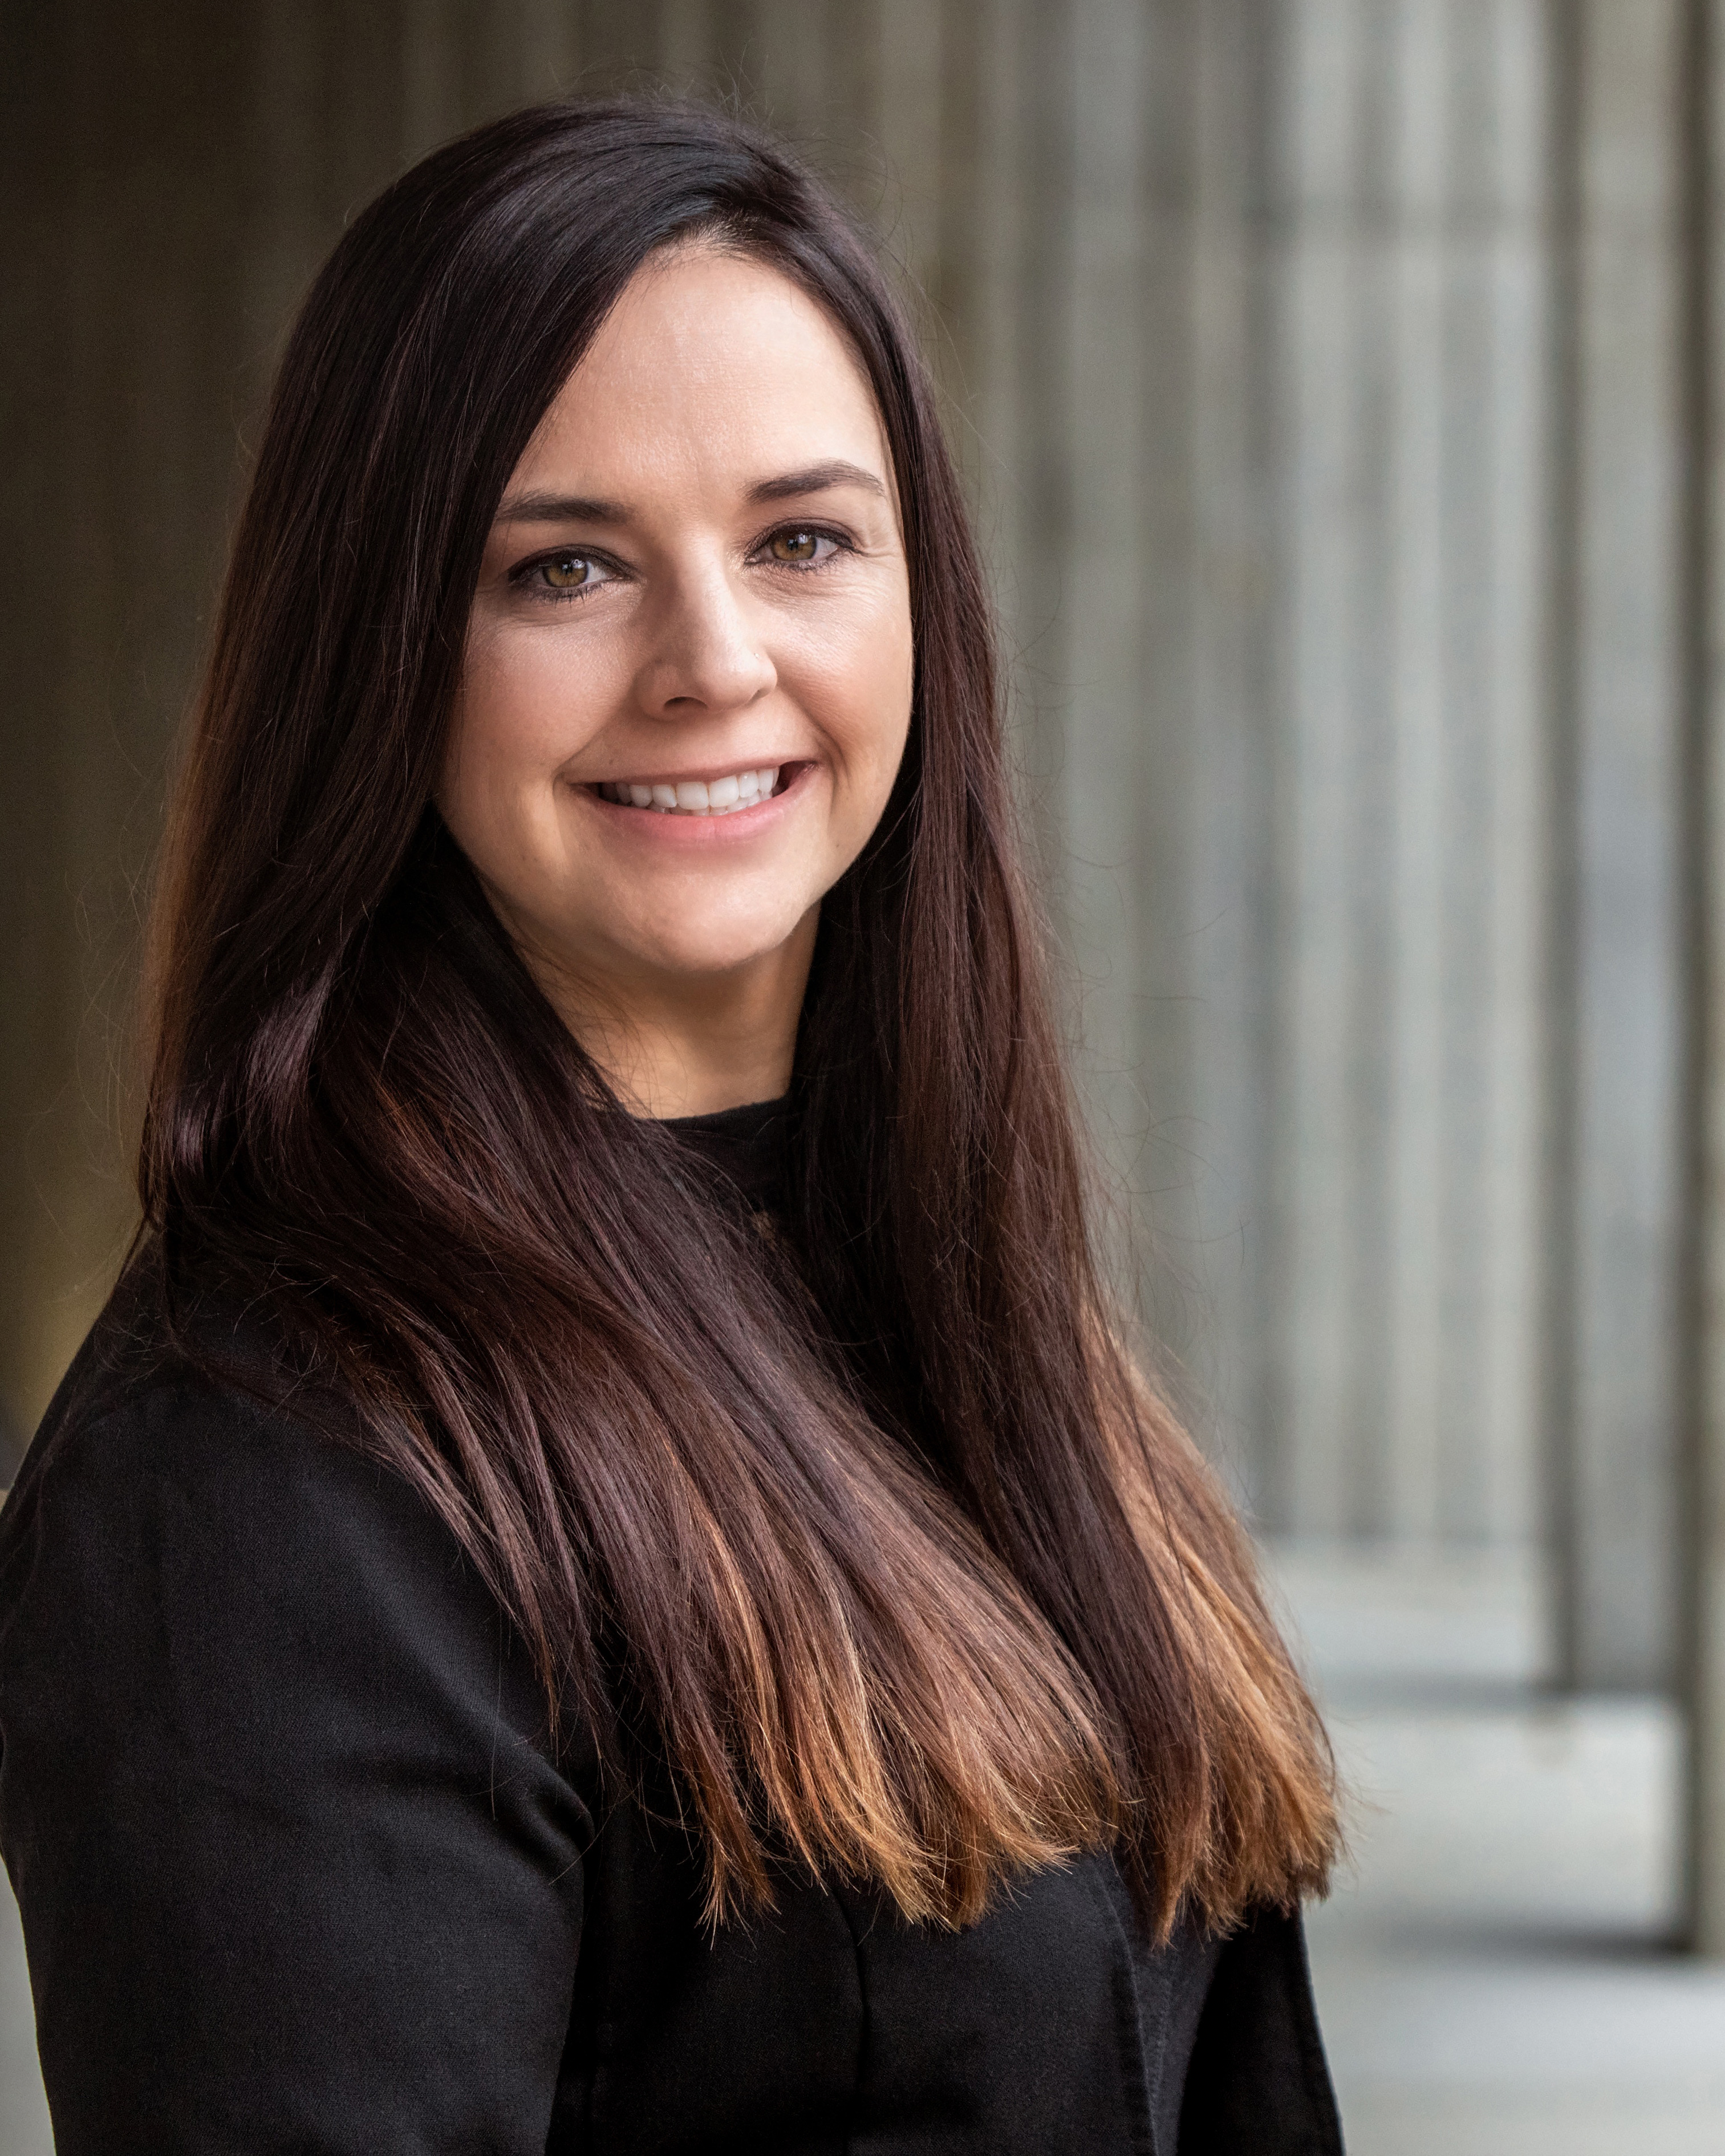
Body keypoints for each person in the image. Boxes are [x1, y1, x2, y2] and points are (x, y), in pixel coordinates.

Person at [0, 99, 1342, 2154]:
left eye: (800, 540)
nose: (713, 663)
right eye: (564, 569)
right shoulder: (265, 1480)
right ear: (382, 654)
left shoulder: (938, 1284)